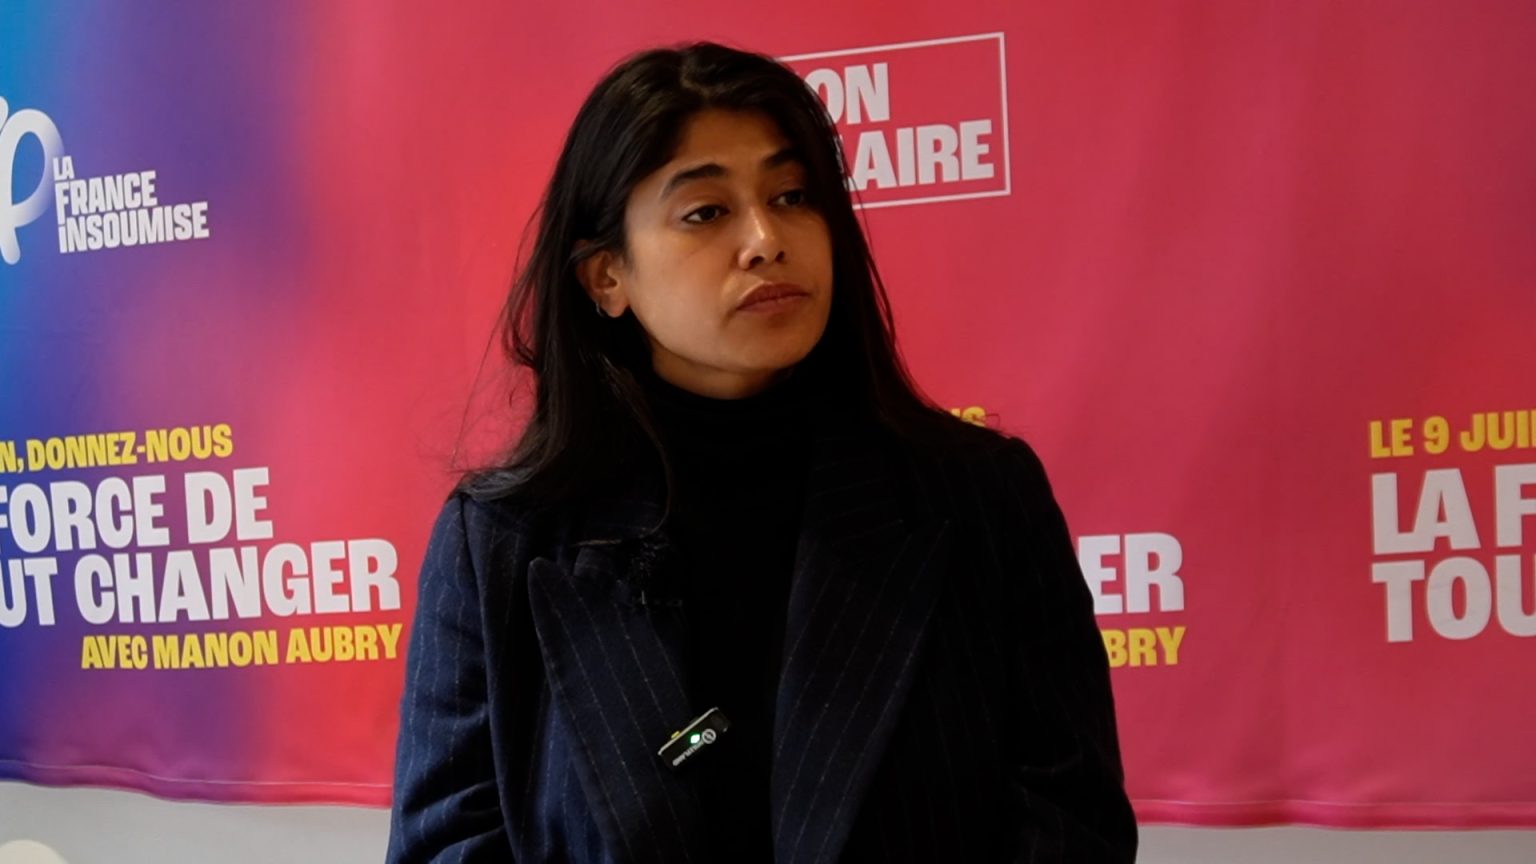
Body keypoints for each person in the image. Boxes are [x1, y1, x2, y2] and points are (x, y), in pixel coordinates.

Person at [387, 41, 1137, 864]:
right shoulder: (502, 540)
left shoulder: (980, 499)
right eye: (706, 212)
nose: (765, 239)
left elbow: (1071, 822)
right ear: (606, 277)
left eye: (792, 196)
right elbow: (445, 845)